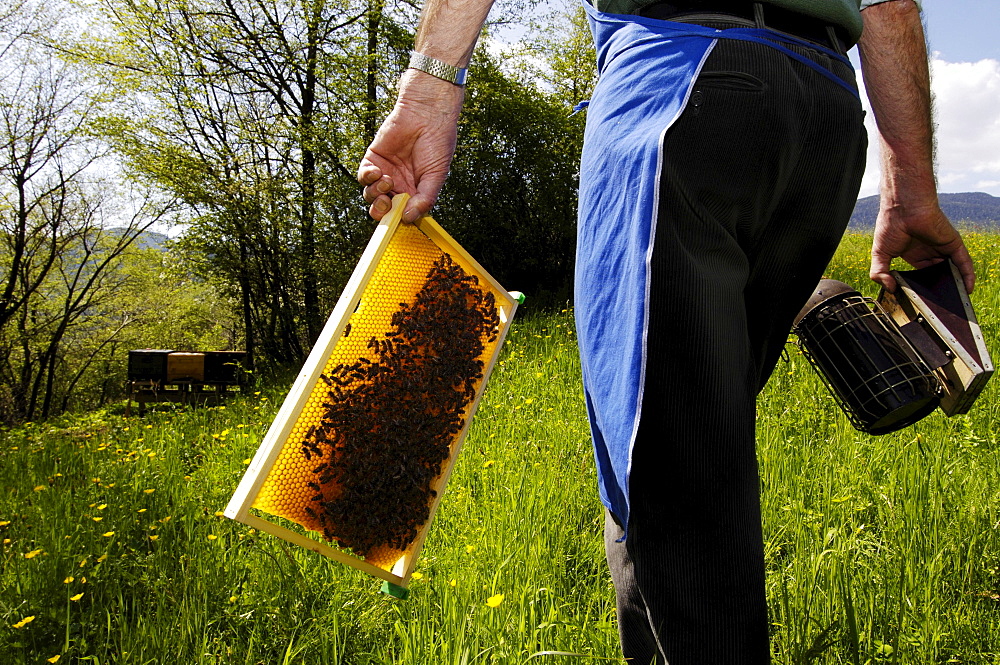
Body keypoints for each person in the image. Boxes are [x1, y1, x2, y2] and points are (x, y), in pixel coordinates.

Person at [357, 0, 976, 662]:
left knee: (675, 481)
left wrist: (427, 83)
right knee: (681, 450)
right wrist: (909, 184)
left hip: (681, 84)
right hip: (823, 116)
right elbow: (889, 5)